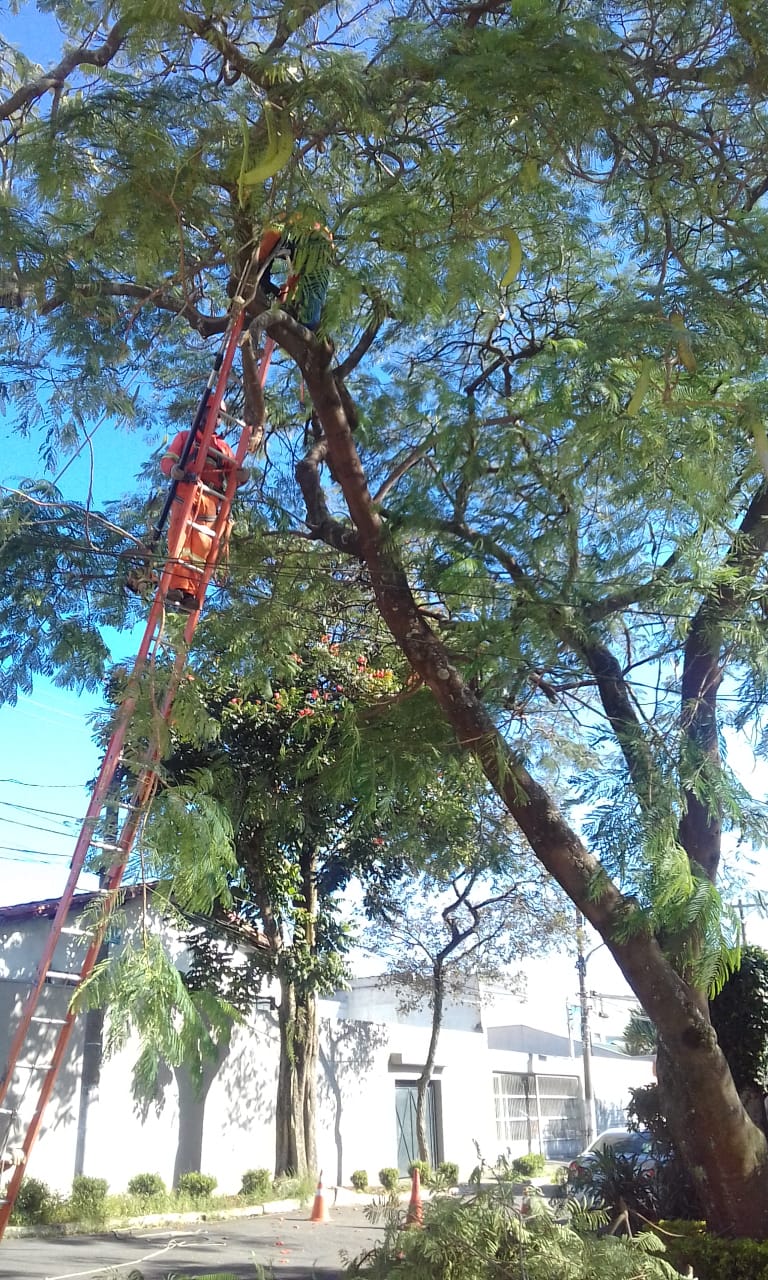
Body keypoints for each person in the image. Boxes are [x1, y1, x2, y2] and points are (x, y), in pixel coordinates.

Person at [159, 403, 246, 614]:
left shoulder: (222, 447)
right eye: (214, 414)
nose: (217, 419)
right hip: (186, 491)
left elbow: (233, 473)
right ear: (203, 413)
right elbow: (167, 460)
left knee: (201, 546)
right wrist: (174, 470)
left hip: (210, 497)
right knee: (180, 538)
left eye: (220, 416)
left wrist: (242, 476)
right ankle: (174, 588)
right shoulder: (186, 437)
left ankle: (190, 593)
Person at [256, 217, 333, 332]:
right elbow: (296, 273)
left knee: (261, 267)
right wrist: (286, 293)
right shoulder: (300, 253)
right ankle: (309, 325)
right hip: (324, 248)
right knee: (315, 289)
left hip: (312, 238)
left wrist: (258, 269)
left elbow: (263, 252)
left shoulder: (275, 227)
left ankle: (308, 326)